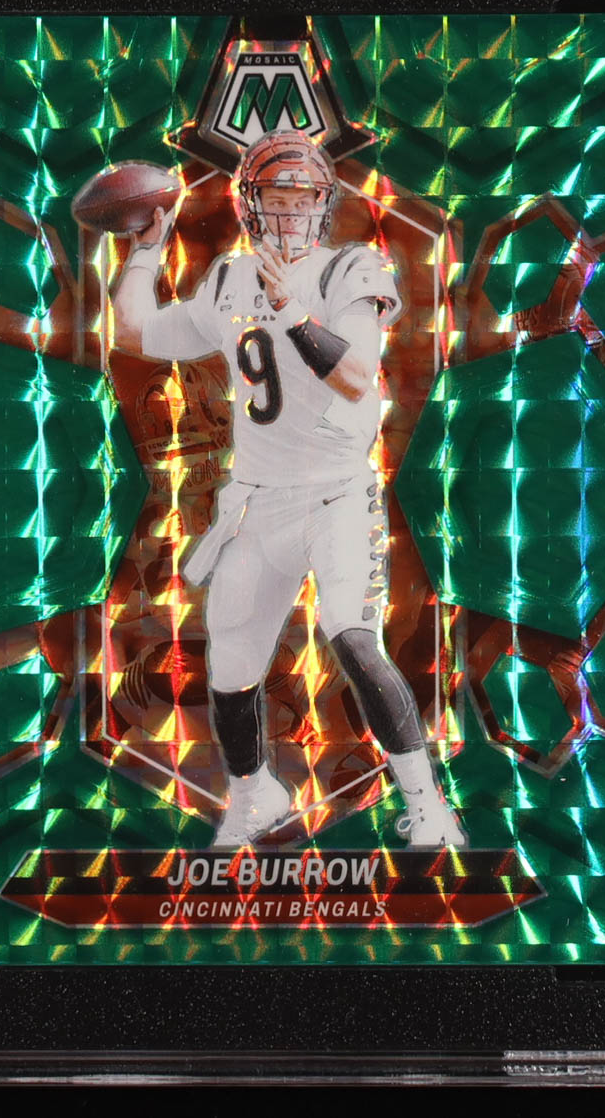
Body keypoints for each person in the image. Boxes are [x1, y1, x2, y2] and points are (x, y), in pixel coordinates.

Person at [112, 131, 466, 851]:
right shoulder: (227, 279)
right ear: (250, 205)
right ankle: (255, 796)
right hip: (258, 499)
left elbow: (357, 376)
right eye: (276, 198)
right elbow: (135, 330)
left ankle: (427, 804)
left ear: (323, 204)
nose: (290, 212)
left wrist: (295, 315)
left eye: (302, 198)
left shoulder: (349, 268)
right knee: (230, 663)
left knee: (353, 638)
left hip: (337, 495)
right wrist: (146, 250)